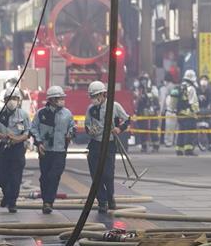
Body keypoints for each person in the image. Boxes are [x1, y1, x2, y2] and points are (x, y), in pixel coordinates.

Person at [83, 81, 130, 213]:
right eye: (92, 96)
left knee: (108, 174)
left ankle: (110, 197)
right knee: (95, 175)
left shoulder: (114, 106)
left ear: (103, 94)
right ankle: (102, 201)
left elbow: (127, 119)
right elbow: (87, 124)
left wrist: (119, 129)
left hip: (109, 144)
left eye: (96, 96)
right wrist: (89, 130)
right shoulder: (90, 109)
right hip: (95, 144)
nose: (94, 99)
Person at [31, 85, 76, 213]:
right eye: (59, 98)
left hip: (60, 151)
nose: (62, 100)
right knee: (45, 176)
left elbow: (72, 127)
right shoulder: (41, 113)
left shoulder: (67, 113)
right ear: (51, 100)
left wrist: (70, 133)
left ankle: (49, 202)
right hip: (45, 151)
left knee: (54, 175)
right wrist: (38, 142)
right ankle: (46, 201)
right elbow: (33, 128)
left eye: (62, 97)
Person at [0, 90, 30, 213]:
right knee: (1, 177)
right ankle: (7, 196)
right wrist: (3, 136)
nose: (12, 101)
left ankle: (12, 202)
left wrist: (17, 139)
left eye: (14, 98)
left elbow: (28, 133)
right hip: (4, 148)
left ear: (19, 100)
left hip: (18, 149)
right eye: (9, 98)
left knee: (15, 177)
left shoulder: (23, 115)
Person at [169, 69, 199, 156]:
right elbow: (194, 102)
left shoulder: (178, 87)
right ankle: (188, 150)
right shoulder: (191, 88)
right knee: (189, 132)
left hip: (180, 114)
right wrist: (196, 112)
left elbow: (172, 104)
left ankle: (179, 149)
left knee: (181, 131)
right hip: (189, 114)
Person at [135, 74, 161, 153]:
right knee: (142, 130)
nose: (143, 82)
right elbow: (137, 102)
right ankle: (144, 146)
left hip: (152, 112)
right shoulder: (138, 90)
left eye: (145, 80)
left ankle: (155, 146)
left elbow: (156, 101)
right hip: (142, 113)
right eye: (142, 80)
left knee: (153, 129)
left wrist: (154, 108)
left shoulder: (153, 89)